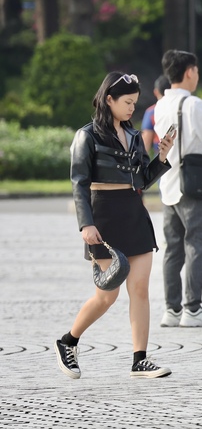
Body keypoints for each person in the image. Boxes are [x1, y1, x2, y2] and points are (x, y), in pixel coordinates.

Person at [56, 71, 175, 379]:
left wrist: (161, 157)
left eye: (135, 103)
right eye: (127, 102)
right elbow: (79, 184)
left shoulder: (133, 135)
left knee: (140, 289)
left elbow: (142, 180)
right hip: (103, 216)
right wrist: (86, 224)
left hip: (134, 213)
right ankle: (68, 341)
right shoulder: (87, 136)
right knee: (107, 295)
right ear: (109, 99)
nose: (132, 108)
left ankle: (140, 359)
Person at [154, 50, 202, 328]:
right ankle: (192, 308)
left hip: (169, 184)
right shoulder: (194, 104)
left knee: (173, 249)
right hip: (194, 186)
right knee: (196, 245)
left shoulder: (160, 105)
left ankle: (171, 309)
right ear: (190, 72)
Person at [141, 75, 171, 154]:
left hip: (160, 154)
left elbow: (146, 143)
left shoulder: (151, 112)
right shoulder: (181, 108)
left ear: (156, 92)